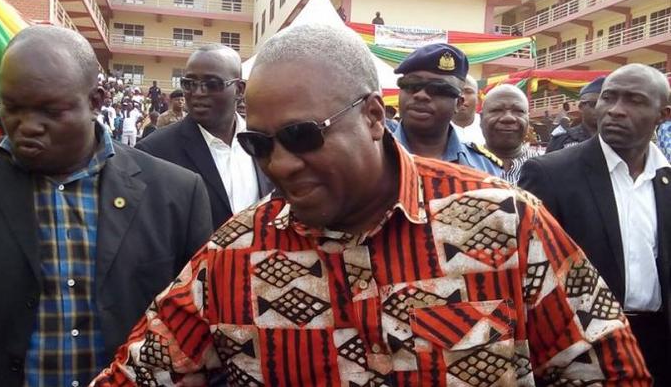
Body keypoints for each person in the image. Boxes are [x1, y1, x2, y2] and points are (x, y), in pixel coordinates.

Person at [93, 23, 649, 386]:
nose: (280, 164)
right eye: (259, 144)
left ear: (374, 118)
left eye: (303, 135)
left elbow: (608, 370)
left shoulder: (507, 223)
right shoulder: (233, 256)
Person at [0, 25, 213, 387]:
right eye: (12, 107)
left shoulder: (175, 194)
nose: (27, 126)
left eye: (49, 110)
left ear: (96, 101)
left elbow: (201, 327)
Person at [519, 63, 671, 383]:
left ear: (663, 114)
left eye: (634, 101)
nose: (616, 110)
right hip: (582, 346)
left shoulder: (665, 178)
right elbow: (529, 271)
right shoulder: (550, 174)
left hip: (661, 343)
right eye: (609, 98)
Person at [136, 44, 273, 230]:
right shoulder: (153, 153)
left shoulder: (265, 141)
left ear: (240, 89)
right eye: (189, 84)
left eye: (212, 84)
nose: (198, 93)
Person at [387, 43, 502, 175]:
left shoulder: (486, 169)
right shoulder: (368, 158)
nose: (421, 95)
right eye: (412, 85)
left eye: (437, 89)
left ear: (458, 103)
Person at [480, 84, 540, 184]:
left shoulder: (547, 169)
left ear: (528, 119)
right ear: (481, 119)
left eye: (518, 111)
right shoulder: (463, 163)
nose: (508, 118)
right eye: (497, 110)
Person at [546, 76, 602, 152]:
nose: (600, 109)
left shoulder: (619, 141)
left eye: (605, 104)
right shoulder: (561, 141)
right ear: (581, 107)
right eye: (594, 104)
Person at [451, 75, 486, 145]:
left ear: (478, 97)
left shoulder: (489, 126)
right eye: (456, 91)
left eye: (468, 92)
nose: (461, 96)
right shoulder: (436, 126)